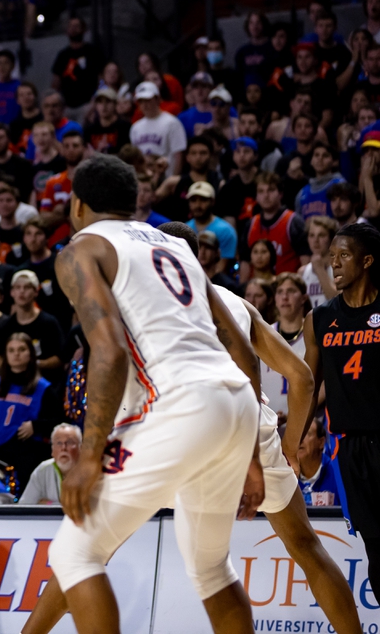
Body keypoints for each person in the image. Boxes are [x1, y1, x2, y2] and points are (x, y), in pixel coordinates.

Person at [29, 155, 264, 634]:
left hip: (178, 403)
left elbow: (109, 353)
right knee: (212, 569)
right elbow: (241, 347)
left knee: (75, 552)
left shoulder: (80, 249)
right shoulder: (175, 245)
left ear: (76, 204)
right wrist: (252, 454)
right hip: (236, 402)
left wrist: (91, 456)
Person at [150, 222, 363, 634]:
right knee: (307, 548)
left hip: (192, 440)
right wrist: (290, 445)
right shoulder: (237, 304)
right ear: (199, 257)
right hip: (255, 432)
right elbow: (301, 378)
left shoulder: (146, 306)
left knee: (94, 548)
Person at [303, 223, 380, 587]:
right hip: (348, 448)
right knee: (376, 549)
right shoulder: (319, 320)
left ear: (367, 261)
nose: (335, 264)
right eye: (332, 257)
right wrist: (289, 443)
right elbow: (308, 386)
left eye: (344, 256)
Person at [0, 332, 61, 492]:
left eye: (21, 349)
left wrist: (36, 426)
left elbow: (59, 420)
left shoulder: (44, 387)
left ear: (31, 354)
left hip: (26, 453)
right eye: (11, 350)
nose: (16, 354)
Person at [128, 82, 187, 176]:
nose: (144, 105)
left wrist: (173, 181)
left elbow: (178, 155)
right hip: (144, 181)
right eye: (141, 101)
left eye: (148, 100)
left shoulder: (172, 123)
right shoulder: (135, 127)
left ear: (158, 99)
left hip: (166, 177)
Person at [18, 424, 82, 505]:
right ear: (52, 450)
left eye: (69, 442)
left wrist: (49, 504)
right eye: (59, 443)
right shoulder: (42, 470)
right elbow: (25, 507)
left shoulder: (94, 471)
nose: (63, 448)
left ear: (81, 448)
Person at [298, 417, 340, 507]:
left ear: (321, 442)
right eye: (296, 435)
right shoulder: (285, 476)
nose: (299, 439)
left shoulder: (338, 473)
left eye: (306, 434)